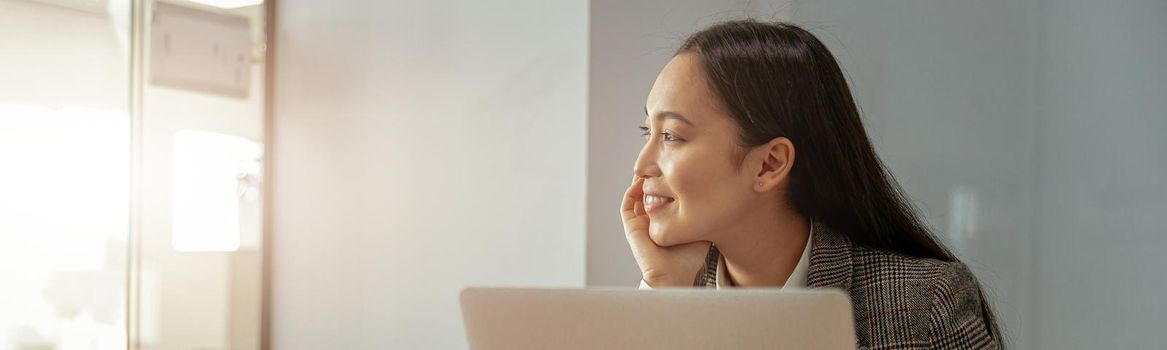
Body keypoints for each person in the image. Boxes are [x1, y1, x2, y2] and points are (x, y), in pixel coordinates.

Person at [621, 20, 1002, 349]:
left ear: (769, 164)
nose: (641, 164)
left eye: (671, 136)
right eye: (647, 132)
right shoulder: (673, 297)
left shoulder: (923, 305)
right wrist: (664, 291)